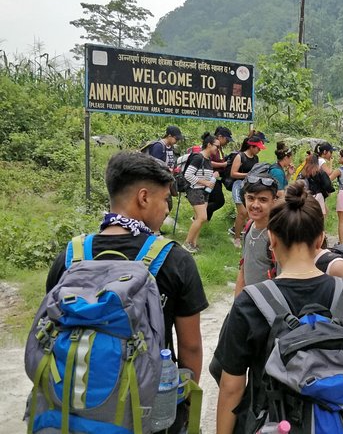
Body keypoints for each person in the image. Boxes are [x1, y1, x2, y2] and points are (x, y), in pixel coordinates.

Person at [45, 152, 208, 433]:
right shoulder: (174, 260)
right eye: (163, 199)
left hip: (75, 408)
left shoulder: (71, 257)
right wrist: (185, 403)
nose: (167, 209)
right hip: (146, 412)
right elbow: (190, 346)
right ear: (143, 198)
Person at [214, 182, 343, 434]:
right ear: (320, 239)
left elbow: (231, 386)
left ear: (272, 238)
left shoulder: (251, 301)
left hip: (275, 424)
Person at [234, 174, 279, 295]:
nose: (255, 205)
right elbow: (243, 269)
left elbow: (284, 281)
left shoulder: (276, 235)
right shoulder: (249, 226)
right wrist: (237, 307)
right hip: (249, 303)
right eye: (250, 198)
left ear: (274, 202)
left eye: (263, 200)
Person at [183, 133, 219, 253]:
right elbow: (188, 175)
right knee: (202, 217)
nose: (217, 149)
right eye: (216, 146)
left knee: (200, 218)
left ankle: (194, 243)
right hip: (195, 190)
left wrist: (212, 177)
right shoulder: (198, 158)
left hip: (204, 191)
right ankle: (187, 243)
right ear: (209, 145)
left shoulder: (208, 159)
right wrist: (205, 182)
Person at [230, 136, 265, 248]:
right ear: (251, 146)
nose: (259, 150)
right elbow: (233, 173)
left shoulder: (256, 158)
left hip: (250, 186)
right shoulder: (240, 156)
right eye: (258, 148)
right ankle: (236, 238)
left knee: (250, 213)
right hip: (238, 185)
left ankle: (249, 236)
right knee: (242, 212)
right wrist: (247, 174)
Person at [207, 126, 234, 221]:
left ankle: (204, 223)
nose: (228, 142)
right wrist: (223, 164)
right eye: (227, 139)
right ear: (220, 137)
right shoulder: (212, 146)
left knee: (211, 200)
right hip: (210, 177)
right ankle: (199, 215)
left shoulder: (219, 148)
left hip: (217, 178)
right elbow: (207, 161)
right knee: (219, 201)